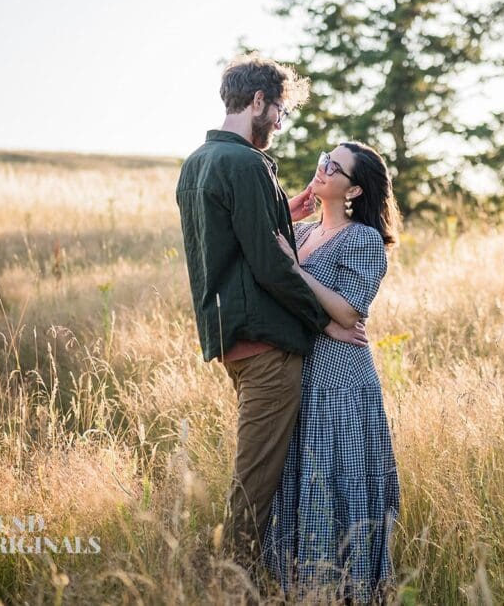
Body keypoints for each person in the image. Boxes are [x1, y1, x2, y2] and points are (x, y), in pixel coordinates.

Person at [175, 54, 367, 567]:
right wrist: (326, 320)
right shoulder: (247, 163)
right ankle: (229, 585)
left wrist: (290, 205)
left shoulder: (198, 163)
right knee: (255, 487)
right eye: (279, 112)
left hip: (231, 341)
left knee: (258, 477)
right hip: (266, 347)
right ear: (258, 101)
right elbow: (271, 263)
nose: (279, 125)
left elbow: (237, 241)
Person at [265, 141, 402, 602]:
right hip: (302, 379)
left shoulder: (363, 241)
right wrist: (290, 208)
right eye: (325, 158)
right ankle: (304, 590)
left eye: (335, 167)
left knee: (339, 488)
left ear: (354, 188)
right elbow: (260, 247)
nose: (323, 167)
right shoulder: (300, 233)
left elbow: (349, 312)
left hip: (342, 384)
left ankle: (350, 589)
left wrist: (294, 268)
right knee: (303, 488)